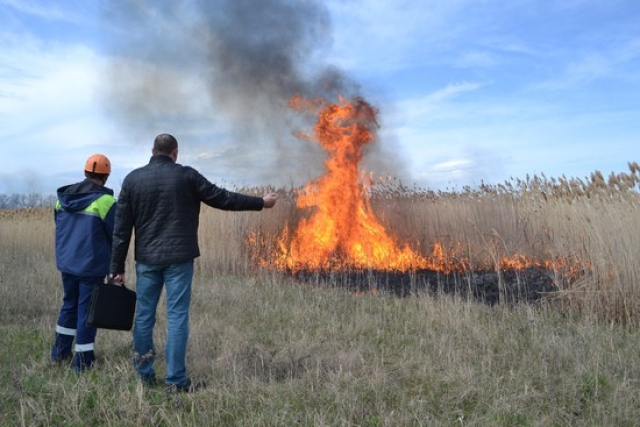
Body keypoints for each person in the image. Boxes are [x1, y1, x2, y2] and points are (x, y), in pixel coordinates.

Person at [109, 133, 278, 392]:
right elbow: (223, 198)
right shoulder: (187, 175)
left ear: (152, 151)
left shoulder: (133, 180)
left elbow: (121, 230)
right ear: (175, 153)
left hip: (147, 260)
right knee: (177, 317)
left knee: (144, 317)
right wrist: (261, 203)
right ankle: (175, 381)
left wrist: (115, 268)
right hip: (179, 259)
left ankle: (143, 375)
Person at [51, 154, 116, 371]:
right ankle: (83, 361)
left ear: (85, 173)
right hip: (91, 265)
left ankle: (59, 353)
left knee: (68, 305)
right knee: (87, 311)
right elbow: (115, 234)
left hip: (67, 263)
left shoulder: (62, 199)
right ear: (106, 177)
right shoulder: (106, 201)